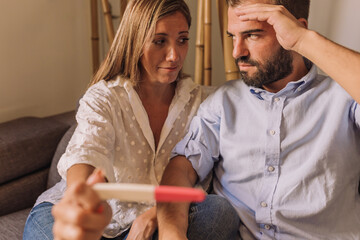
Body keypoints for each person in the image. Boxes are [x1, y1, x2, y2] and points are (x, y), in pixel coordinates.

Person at [22, 0, 230, 239]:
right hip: (96, 214)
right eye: (160, 41)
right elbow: (87, 151)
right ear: (134, 40)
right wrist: (80, 201)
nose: (174, 55)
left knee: (218, 212)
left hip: (164, 218)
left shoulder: (204, 102)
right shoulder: (105, 96)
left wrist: (155, 213)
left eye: (182, 40)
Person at [157, 0, 360, 239]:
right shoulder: (223, 102)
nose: (237, 52)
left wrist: (304, 40)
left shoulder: (344, 98)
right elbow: (182, 168)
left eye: (252, 35)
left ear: (295, 29)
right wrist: (171, 232)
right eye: (233, 36)